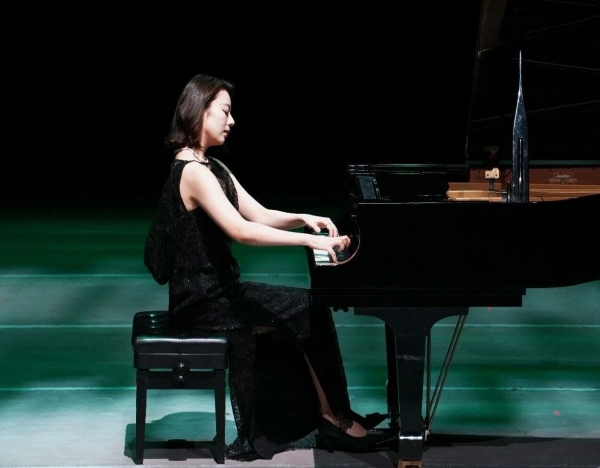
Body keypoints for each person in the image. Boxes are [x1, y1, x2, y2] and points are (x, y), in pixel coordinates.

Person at [143, 73, 392, 460]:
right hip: (203, 302)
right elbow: (241, 231)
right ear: (200, 111)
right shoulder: (192, 172)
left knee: (307, 308)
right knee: (307, 307)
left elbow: (257, 213)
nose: (232, 120)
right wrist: (310, 241)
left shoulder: (212, 166)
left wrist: (304, 218)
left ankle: (330, 414)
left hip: (221, 292)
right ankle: (331, 418)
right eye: (225, 111)